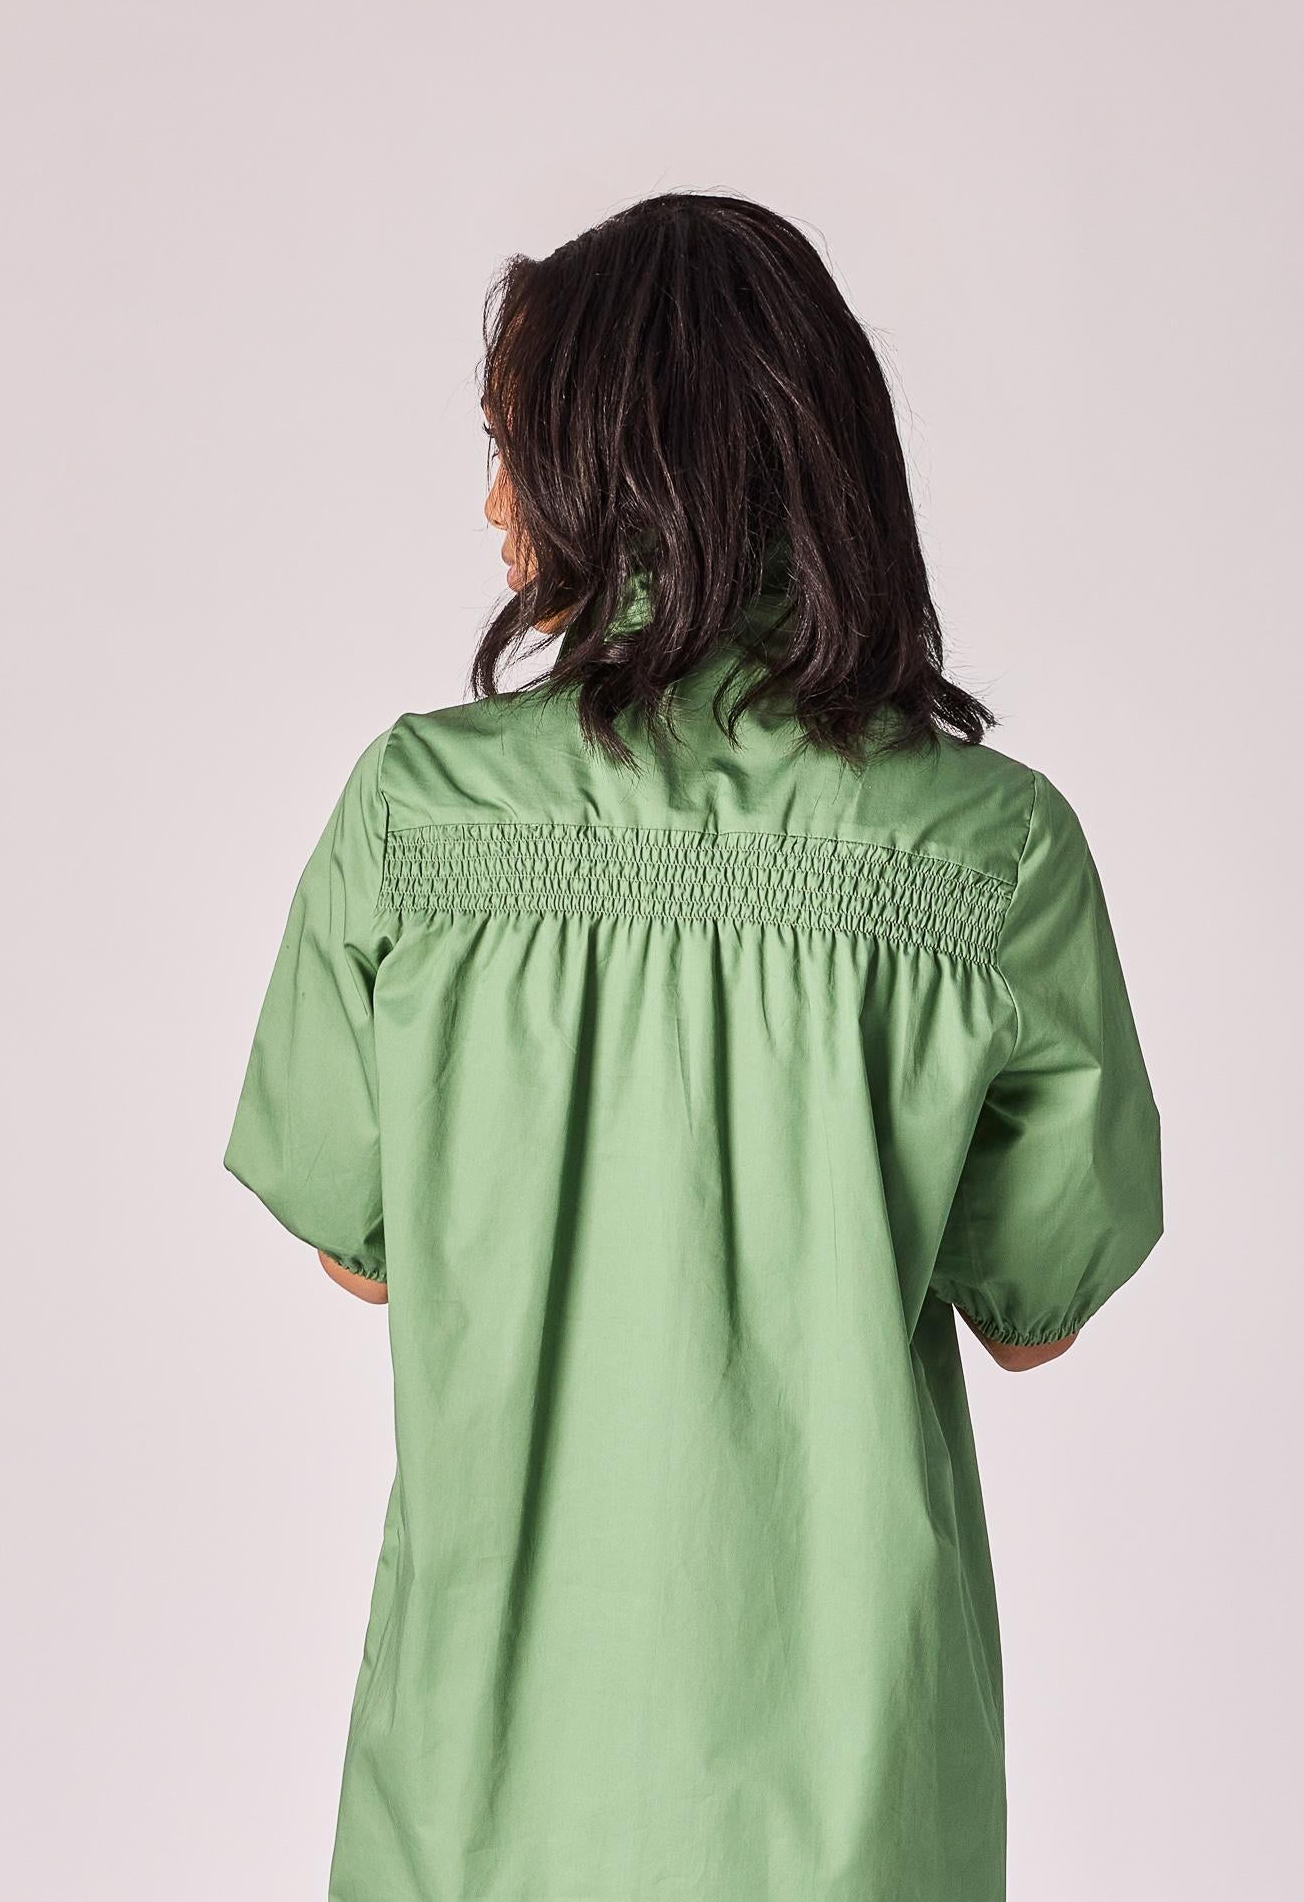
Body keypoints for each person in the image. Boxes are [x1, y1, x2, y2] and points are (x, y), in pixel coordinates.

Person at [223, 192, 1163, 1902]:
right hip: (850, 1808)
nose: (493, 502)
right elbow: (1035, 1312)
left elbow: (361, 1252)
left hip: (480, 1795)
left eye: (511, 446)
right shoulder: (992, 848)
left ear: (614, 458)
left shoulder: (414, 813)